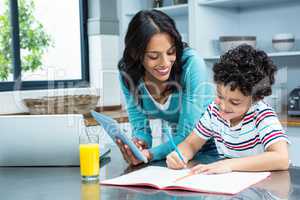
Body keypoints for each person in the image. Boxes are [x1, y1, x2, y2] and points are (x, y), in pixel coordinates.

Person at [166, 44, 290, 173]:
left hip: (264, 187)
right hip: (232, 185)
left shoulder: (262, 115)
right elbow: (191, 144)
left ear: (255, 99)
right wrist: (180, 155)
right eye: (220, 96)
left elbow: (281, 158)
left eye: (235, 102)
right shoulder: (214, 111)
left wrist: (229, 164)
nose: (223, 106)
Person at [117, 9, 217, 165]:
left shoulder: (191, 64)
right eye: (153, 56)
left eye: (171, 52)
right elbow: (140, 127)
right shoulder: (128, 75)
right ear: (136, 53)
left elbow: (187, 132)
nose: (165, 63)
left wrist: (149, 154)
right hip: (178, 150)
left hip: (217, 147)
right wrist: (139, 145)